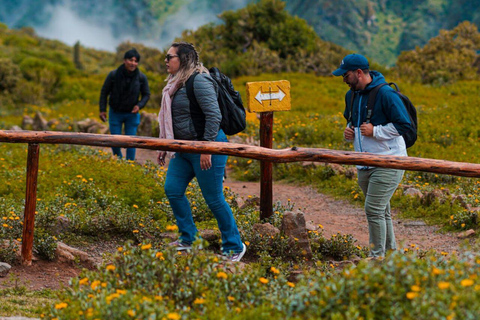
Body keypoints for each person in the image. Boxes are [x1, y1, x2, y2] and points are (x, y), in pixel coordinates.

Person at [157, 42, 246, 261]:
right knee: (173, 189)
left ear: (184, 59)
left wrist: (207, 147)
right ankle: (189, 239)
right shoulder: (176, 84)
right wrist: (164, 144)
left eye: (170, 57)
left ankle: (234, 246)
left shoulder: (199, 80)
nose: (166, 61)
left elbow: (213, 116)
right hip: (185, 149)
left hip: (208, 146)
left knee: (214, 199)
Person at [332, 54, 413, 258]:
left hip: (390, 160)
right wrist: (348, 131)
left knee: (373, 210)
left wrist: (375, 131)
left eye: (346, 75)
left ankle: (377, 258)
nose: (344, 79)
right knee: (381, 211)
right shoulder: (350, 96)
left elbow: (404, 125)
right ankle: (391, 256)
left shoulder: (386, 94)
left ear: (359, 73)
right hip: (364, 163)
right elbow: (352, 121)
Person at [99, 48, 151, 161]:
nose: (133, 63)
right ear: (124, 60)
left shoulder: (141, 78)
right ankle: (119, 161)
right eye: (130, 60)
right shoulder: (113, 75)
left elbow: (146, 94)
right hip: (115, 112)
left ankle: (130, 164)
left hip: (132, 114)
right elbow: (104, 92)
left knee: (131, 141)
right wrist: (102, 110)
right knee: (115, 140)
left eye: (136, 61)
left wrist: (139, 106)